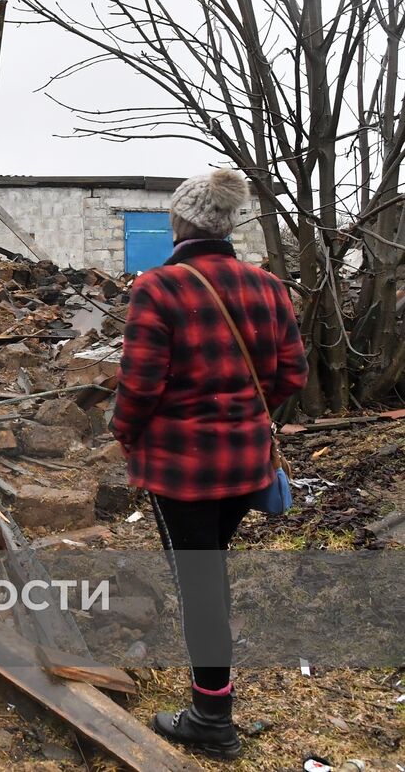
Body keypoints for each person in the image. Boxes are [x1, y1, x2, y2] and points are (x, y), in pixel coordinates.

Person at [112, 168, 307, 760]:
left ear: (180, 220)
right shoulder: (269, 287)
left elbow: (140, 388)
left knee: (199, 585)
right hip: (244, 466)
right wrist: (245, 416)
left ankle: (212, 717)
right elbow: (291, 374)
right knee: (209, 572)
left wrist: (124, 433)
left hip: (180, 473)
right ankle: (211, 698)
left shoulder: (159, 287)